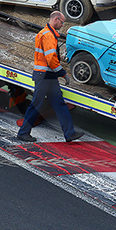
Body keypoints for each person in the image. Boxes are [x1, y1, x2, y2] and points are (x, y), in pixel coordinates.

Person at [16, 11, 84, 143]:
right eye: (62, 22)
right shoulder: (48, 36)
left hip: (47, 77)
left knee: (59, 104)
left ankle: (69, 133)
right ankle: (23, 132)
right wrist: (62, 73)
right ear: (56, 20)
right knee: (38, 104)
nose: (62, 25)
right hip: (45, 76)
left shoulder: (46, 33)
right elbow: (51, 59)